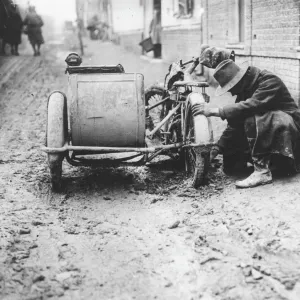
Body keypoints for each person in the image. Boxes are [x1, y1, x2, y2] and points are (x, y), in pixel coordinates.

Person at [193, 58, 300, 188]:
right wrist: (217, 148)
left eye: (231, 87)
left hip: (290, 133)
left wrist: (216, 111)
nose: (231, 92)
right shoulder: (246, 87)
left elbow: (251, 106)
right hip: (271, 135)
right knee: (232, 168)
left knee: (253, 117)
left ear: (241, 80)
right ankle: (272, 163)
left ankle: (262, 171)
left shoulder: (269, 81)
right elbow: (235, 122)